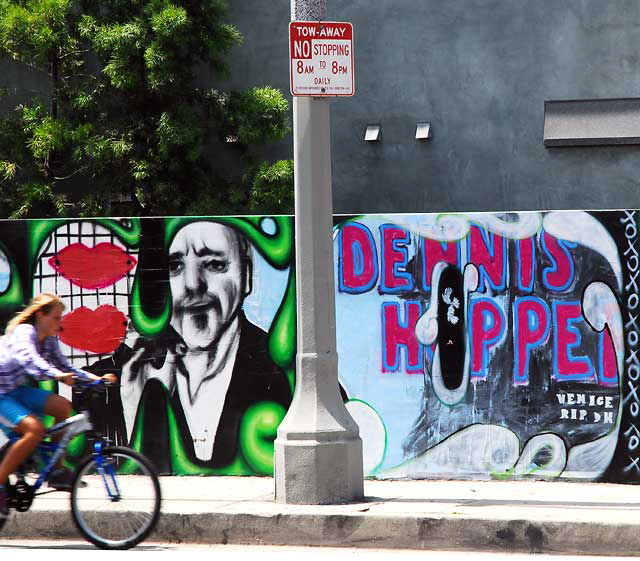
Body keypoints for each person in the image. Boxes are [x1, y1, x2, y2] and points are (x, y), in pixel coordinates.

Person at [121, 221, 292, 470]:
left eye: (214, 264)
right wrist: (134, 404)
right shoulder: (128, 375)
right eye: (174, 266)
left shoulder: (287, 379)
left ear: (247, 275)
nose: (193, 284)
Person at [0, 293, 116, 518]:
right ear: (40, 315)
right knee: (34, 429)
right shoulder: (25, 332)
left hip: (14, 389)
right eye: (56, 318)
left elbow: (64, 365)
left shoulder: (49, 339)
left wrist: (93, 379)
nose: (59, 324)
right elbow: (30, 360)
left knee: (63, 407)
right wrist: (57, 375)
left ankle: (56, 471)